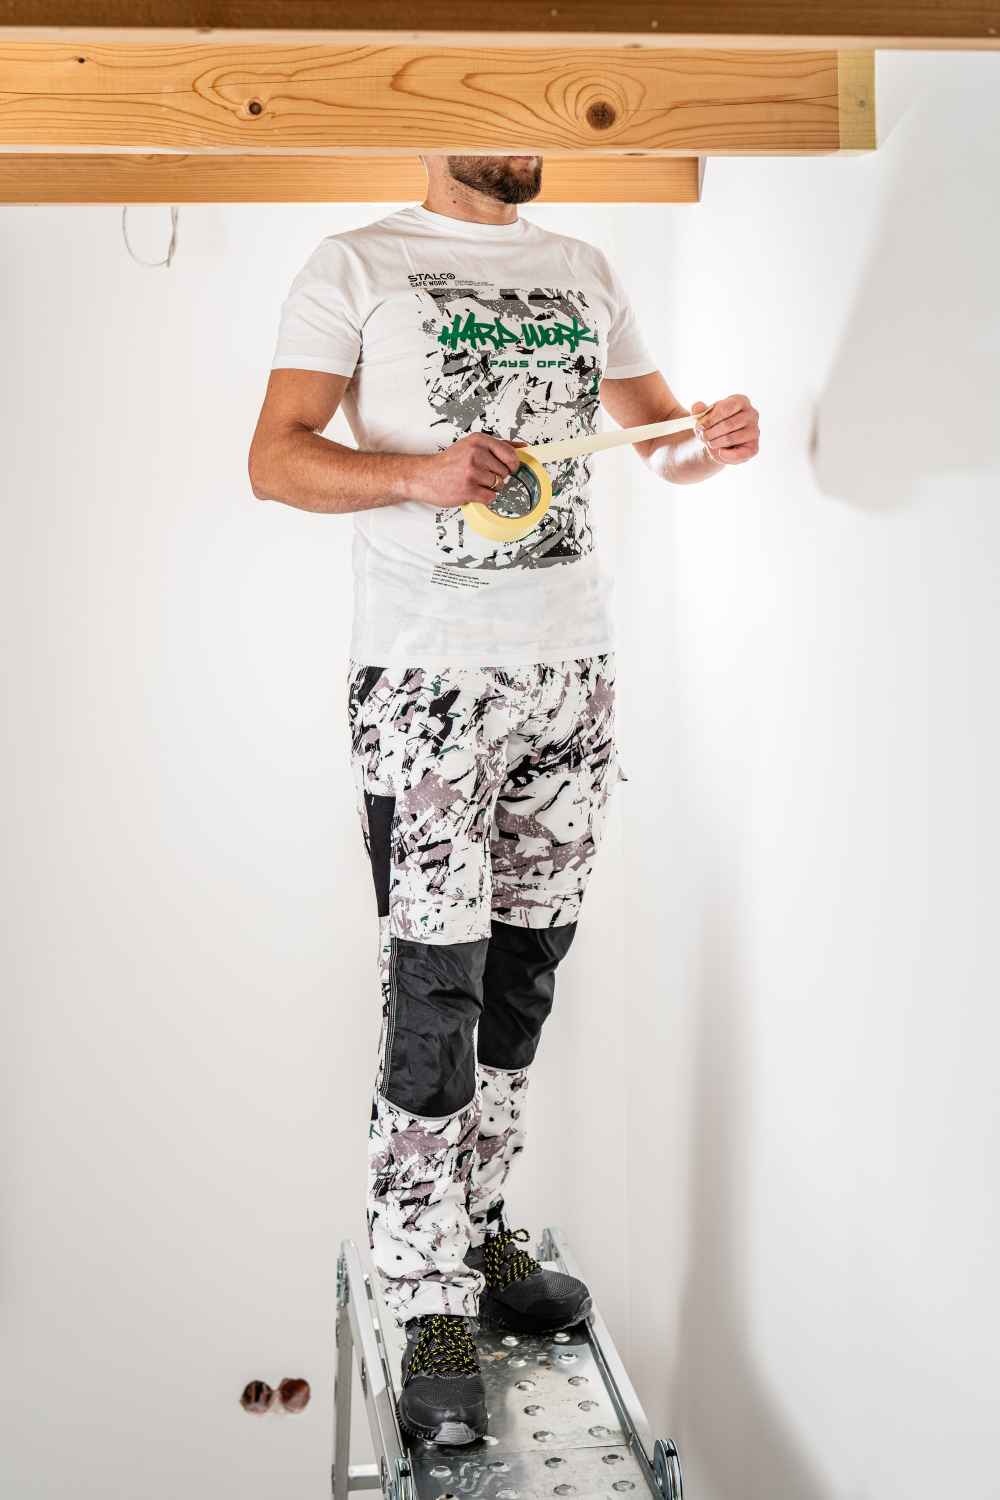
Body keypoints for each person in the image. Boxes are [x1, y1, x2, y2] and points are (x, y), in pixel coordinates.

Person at [249, 153, 760, 1446]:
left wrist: (708, 444)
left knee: (524, 976)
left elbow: (660, 440)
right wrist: (416, 476)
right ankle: (425, 1299)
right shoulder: (355, 265)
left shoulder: (582, 271)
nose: (524, 134)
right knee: (438, 992)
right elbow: (275, 461)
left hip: (570, 677)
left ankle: (479, 1234)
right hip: (427, 682)